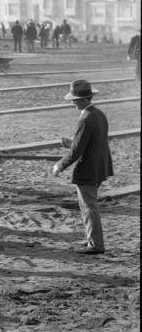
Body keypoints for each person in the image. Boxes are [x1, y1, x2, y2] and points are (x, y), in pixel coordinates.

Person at [51, 80, 113, 255]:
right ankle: (92, 239)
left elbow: (77, 152)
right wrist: (71, 143)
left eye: (74, 99)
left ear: (84, 100)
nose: (72, 102)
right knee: (89, 204)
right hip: (100, 167)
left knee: (88, 206)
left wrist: (59, 166)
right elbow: (93, 141)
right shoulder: (99, 114)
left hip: (88, 169)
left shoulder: (85, 119)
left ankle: (96, 245)